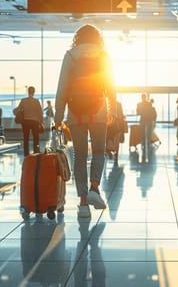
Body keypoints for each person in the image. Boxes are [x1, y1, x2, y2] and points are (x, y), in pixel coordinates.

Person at [54, 24, 115, 219]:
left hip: (75, 113)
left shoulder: (70, 55)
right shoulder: (103, 55)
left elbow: (62, 86)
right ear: (97, 38)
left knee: (79, 156)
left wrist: (58, 116)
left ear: (77, 38)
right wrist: (112, 109)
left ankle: (82, 204)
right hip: (98, 111)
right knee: (98, 151)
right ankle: (94, 189)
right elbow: (111, 85)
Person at [14, 86, 44, 157]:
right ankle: (36, 152)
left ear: (28, 92)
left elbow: (17, 110)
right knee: (36, 138)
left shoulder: (23, 100)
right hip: (35, 122)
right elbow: (40, 112)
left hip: (25, 121)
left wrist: (17, 114)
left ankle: (26, 154)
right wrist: (41, 121)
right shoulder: (36, 101)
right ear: (34, 92)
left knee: (26, 138)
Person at [106, 100, 125, 166]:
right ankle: (115, 156)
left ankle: (110, 152)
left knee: (109, 139)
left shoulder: (107, 102)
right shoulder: (118, 104)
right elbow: (121, 115)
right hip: (117, 126)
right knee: (116, 142)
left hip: (109, 126)